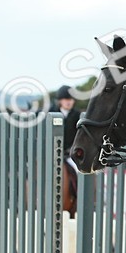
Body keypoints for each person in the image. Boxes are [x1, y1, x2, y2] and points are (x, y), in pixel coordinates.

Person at [55, 85, 80, 214]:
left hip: (69, 154)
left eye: (70, 99)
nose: (68, 101)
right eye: (65, 99)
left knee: (78, 171)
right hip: (52, 154)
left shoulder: (78, 116)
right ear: (60, 100)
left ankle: (79, 197)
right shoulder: (51, 113)